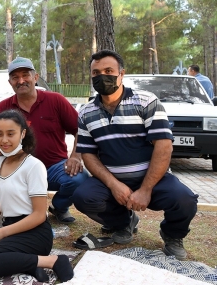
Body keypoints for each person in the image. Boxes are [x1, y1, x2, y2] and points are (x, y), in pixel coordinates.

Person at [72, 50, 198, 260]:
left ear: (122, 74)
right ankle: (124, 223)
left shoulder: (145, 101)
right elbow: (89, 155)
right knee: (83, 196)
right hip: (112, 182)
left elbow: (164, 146)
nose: (102, 76)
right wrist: (114, 185)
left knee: (184, 199)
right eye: (96, 73)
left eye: (109, 71)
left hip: (154, 180)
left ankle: (173, 235)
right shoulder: (86, 112)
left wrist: (146, 189)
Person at [0, 110, 74, 282]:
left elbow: (39, 215)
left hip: (34, 233)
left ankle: (53, 261)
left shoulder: (33, 166)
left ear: (23, 133)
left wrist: (0, 233)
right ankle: (30, 264)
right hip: (9, 229)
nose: (4, 140)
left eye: (11, 134)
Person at [0, 57, 87, 224]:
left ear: (35, 77)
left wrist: (75, 156)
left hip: (54, 167)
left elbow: (80, 130)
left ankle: (59, 207)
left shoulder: (56, 100)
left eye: (25, 75)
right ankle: (22, 214)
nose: (21, 81)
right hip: (19, 169)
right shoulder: (3, 107)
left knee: (80, 179)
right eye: (15, 77)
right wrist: (9, 169)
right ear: (10, 82)